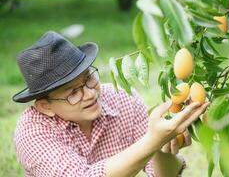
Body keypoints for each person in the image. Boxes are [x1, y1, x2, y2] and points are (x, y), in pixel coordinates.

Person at [12, 31, 209, 177]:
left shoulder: (122, 99)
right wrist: (152, 140)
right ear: (46, 106)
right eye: (73, 92)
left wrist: (162, 148)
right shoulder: (32, 130)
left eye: (88, 78)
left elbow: (161, 173)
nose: (89, 94)